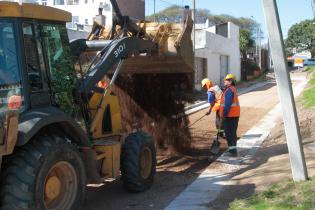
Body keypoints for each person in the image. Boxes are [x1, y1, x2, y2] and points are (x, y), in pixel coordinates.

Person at [219, 74, 240, 156]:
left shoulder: (229, 90)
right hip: (233, 115)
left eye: (226, 80)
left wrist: (224, 114)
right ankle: (233, 150)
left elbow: (227, 104)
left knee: (229, 133)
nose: (225, 81)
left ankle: (232, 151)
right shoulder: (231, 89)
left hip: (229, 116)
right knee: (232, 133)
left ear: (231, 81)